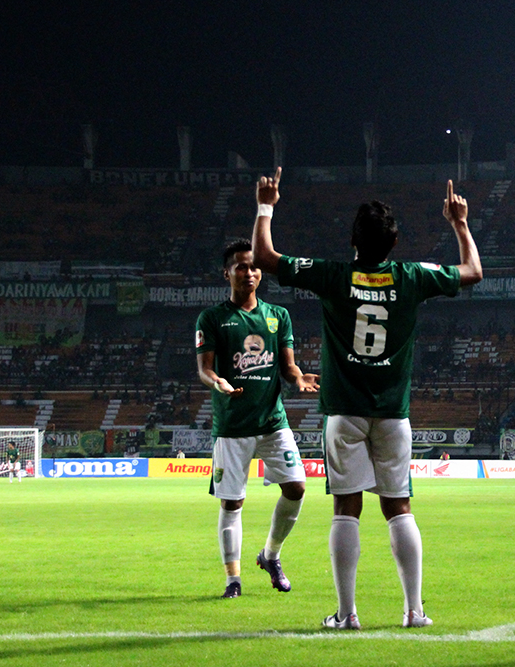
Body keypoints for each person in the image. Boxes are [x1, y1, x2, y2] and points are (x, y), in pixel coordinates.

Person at [252, 167, 482, 629]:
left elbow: (265, 256)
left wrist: (266, 205)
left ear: (352, 242)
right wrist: (459, 223)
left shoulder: (334, 276)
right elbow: (473, 271)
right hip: (393, 415)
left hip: (344, 414)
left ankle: (347, 613)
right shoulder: (412, 276)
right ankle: (414, 611)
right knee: (399, 507)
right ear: (394, 244)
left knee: (346, 508)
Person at [196, 238, 319, 600]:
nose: (248, 272)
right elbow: (204, 368)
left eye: (253, 266)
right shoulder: (213, 318)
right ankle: (233, 579)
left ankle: (270, 555)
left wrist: (296, 377)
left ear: (260, 272)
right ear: (227, 273)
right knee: (232, 503)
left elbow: (288, 363)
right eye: (240, 266)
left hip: (271, 421)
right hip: (232, 425)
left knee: (296, 488)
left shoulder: (278, 316)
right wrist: (216, 380)